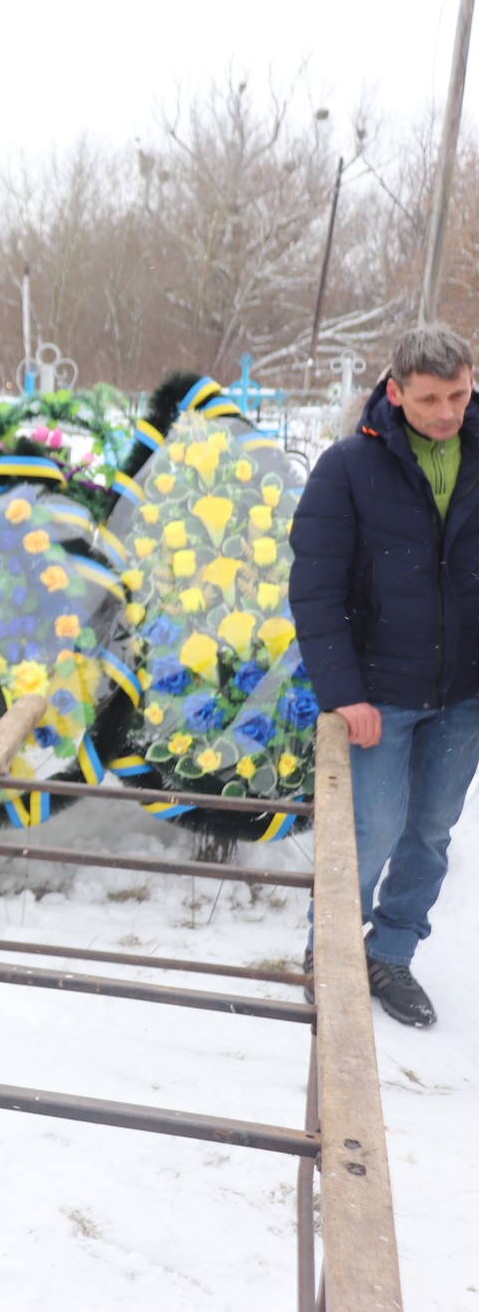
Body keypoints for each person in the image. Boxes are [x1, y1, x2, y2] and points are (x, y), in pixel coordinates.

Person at [291, 322, 479, 1029]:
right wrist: (344, 692)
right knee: (369, 830)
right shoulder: (347, 468)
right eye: (429, 398)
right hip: (379, 693)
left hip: (465, 692)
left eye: (458, 394)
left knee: (431, 831)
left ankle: (393, 951)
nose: (447, 413)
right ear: (396, 392)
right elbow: (314, 588)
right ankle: (331, 950)